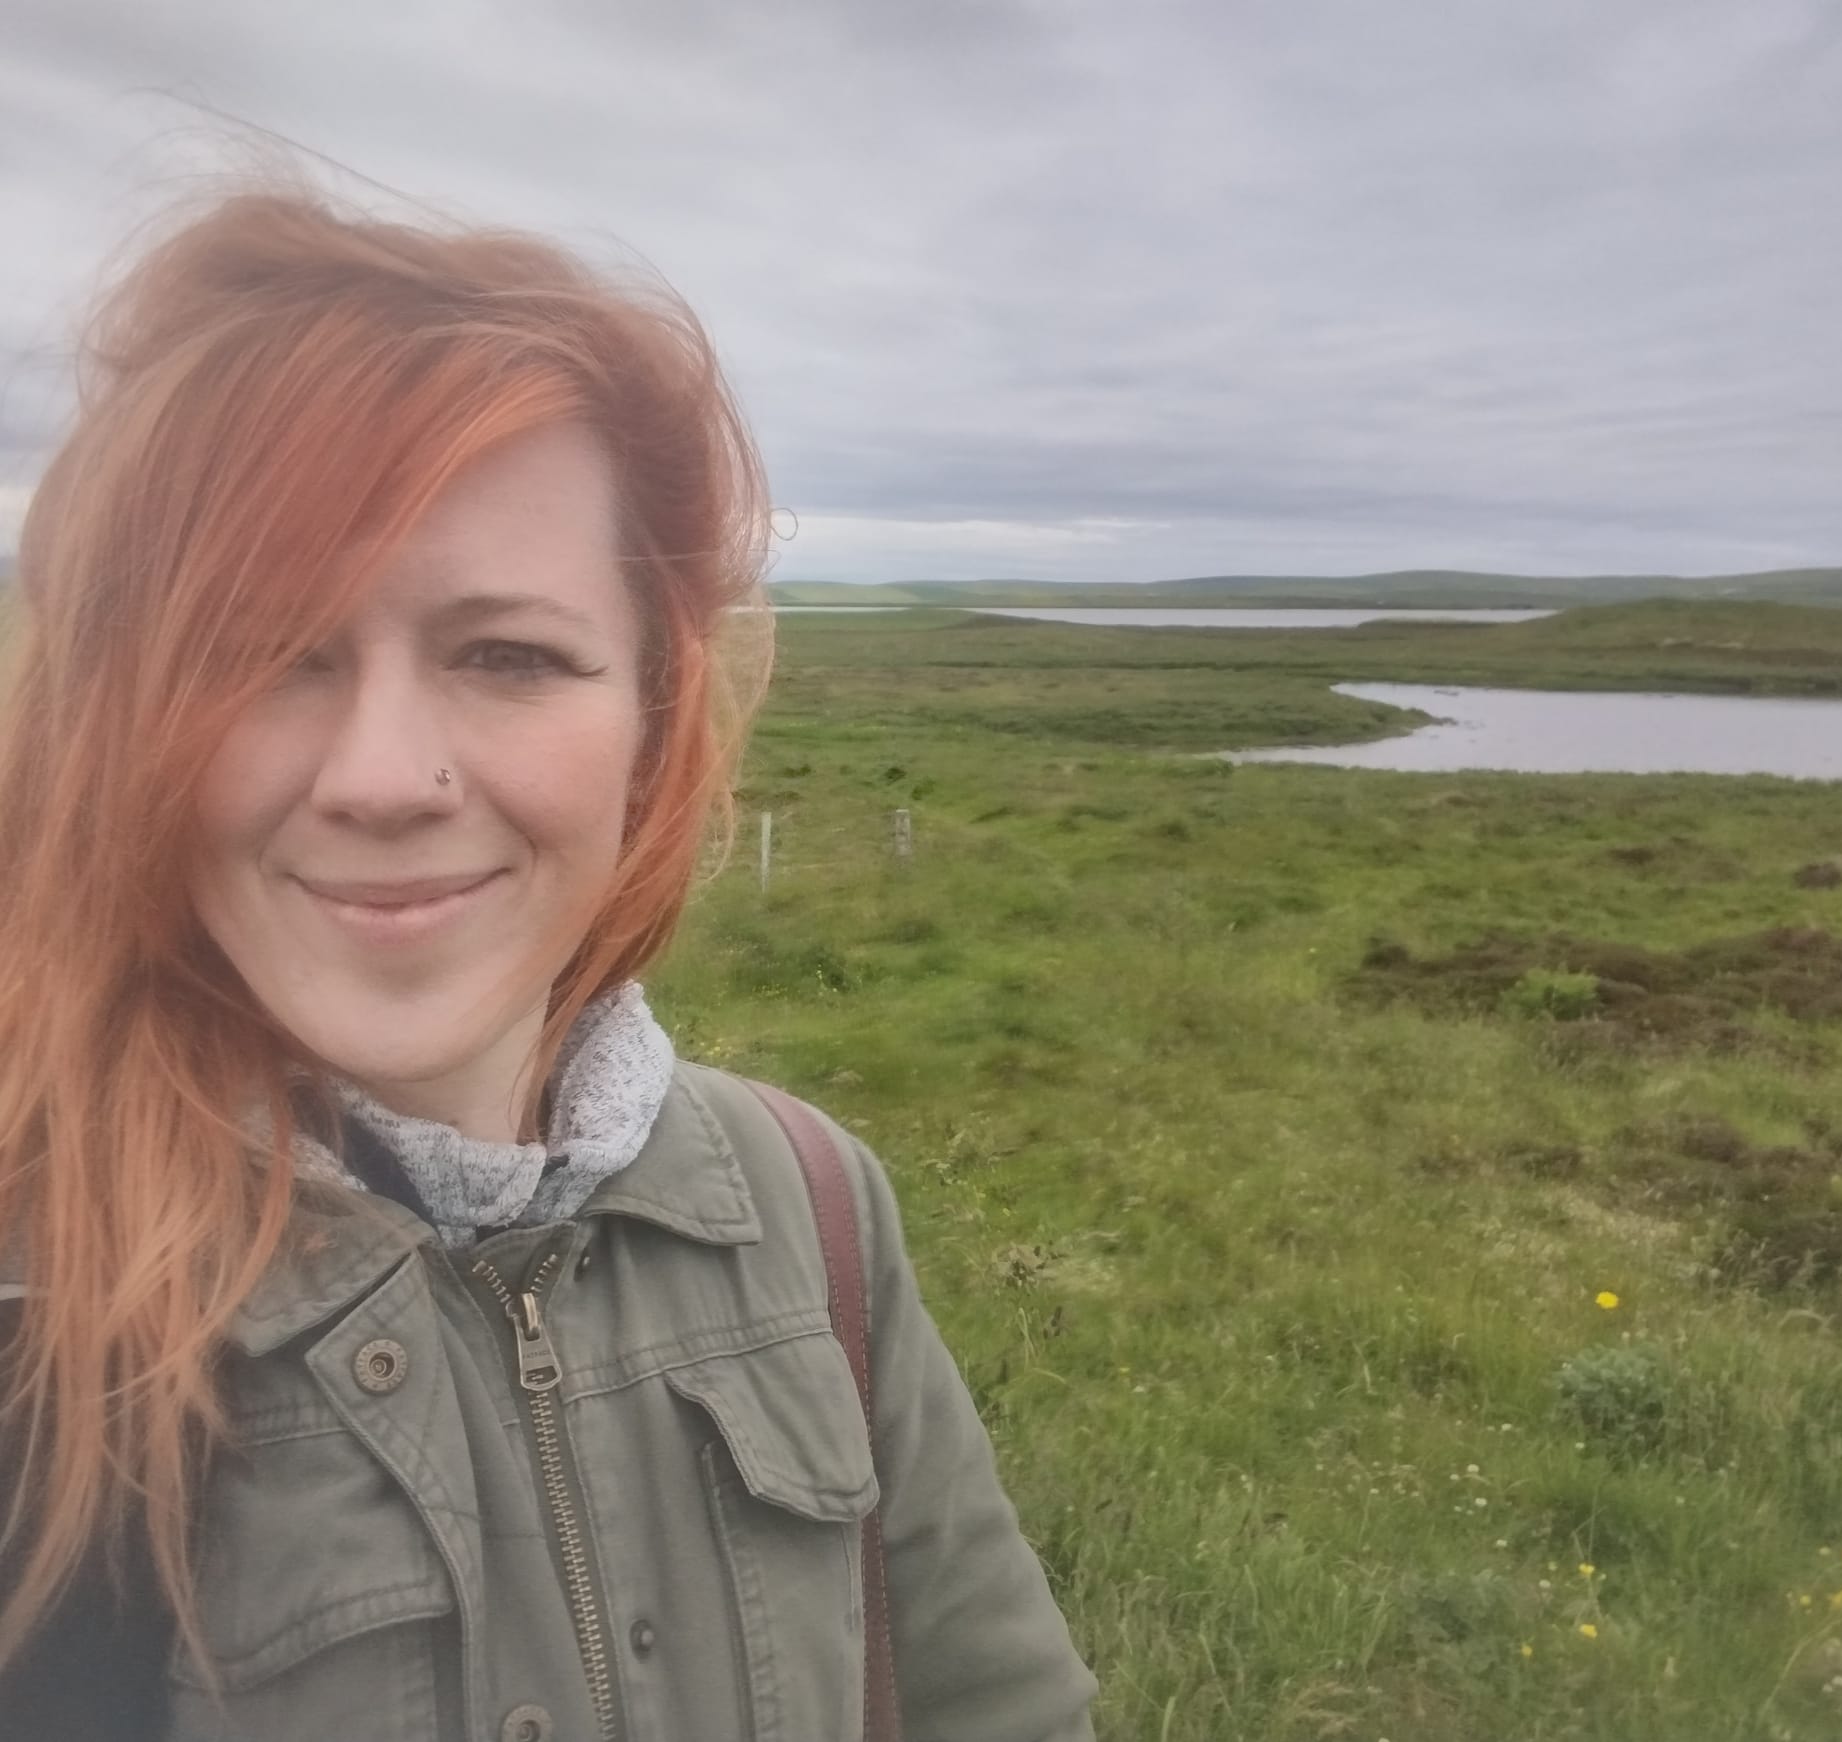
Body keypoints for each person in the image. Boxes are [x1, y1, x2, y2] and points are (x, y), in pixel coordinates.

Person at [0, 171, 1098, 1740]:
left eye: (508, 656)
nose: (383, 775)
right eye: (261, 657)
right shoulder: (33, 1288)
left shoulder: (812, 1209)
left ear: (656, 713)